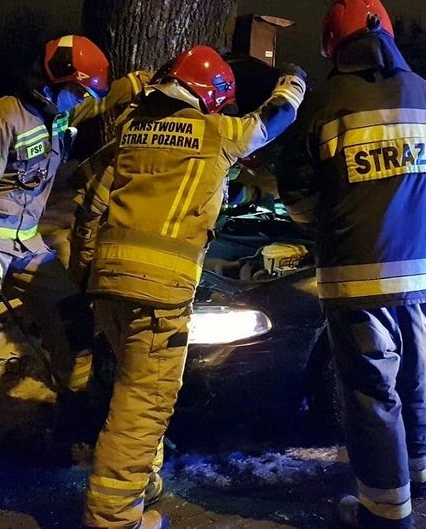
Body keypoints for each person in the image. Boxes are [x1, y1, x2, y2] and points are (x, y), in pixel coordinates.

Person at [76, 46, 306, 529]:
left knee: (130, 385)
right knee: (144, 402)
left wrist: (86, 274)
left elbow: (92, 206)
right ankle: (113, 518)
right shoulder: (216, 131)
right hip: (159, 292)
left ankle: (140, 481)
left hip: (107, 284)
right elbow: (275, 117)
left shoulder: (132, 129)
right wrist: (294, 80)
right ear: (211, 96)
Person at [277, 0, 426, 528]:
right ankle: (421, 475)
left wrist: (341, 216)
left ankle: (385, 511)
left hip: (357, 276)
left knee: (369, 391)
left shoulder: (324, 104)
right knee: (418, 374)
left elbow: (297, 195)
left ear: (333, 45)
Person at [0, 35, 110, 444]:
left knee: (73, 318)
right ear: (56, 80)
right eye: (77, 90)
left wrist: (142, 83)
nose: (80, 99)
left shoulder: (56, 114)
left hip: (27, 246)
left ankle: (77, 412)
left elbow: (101, 101)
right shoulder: (1, 118)